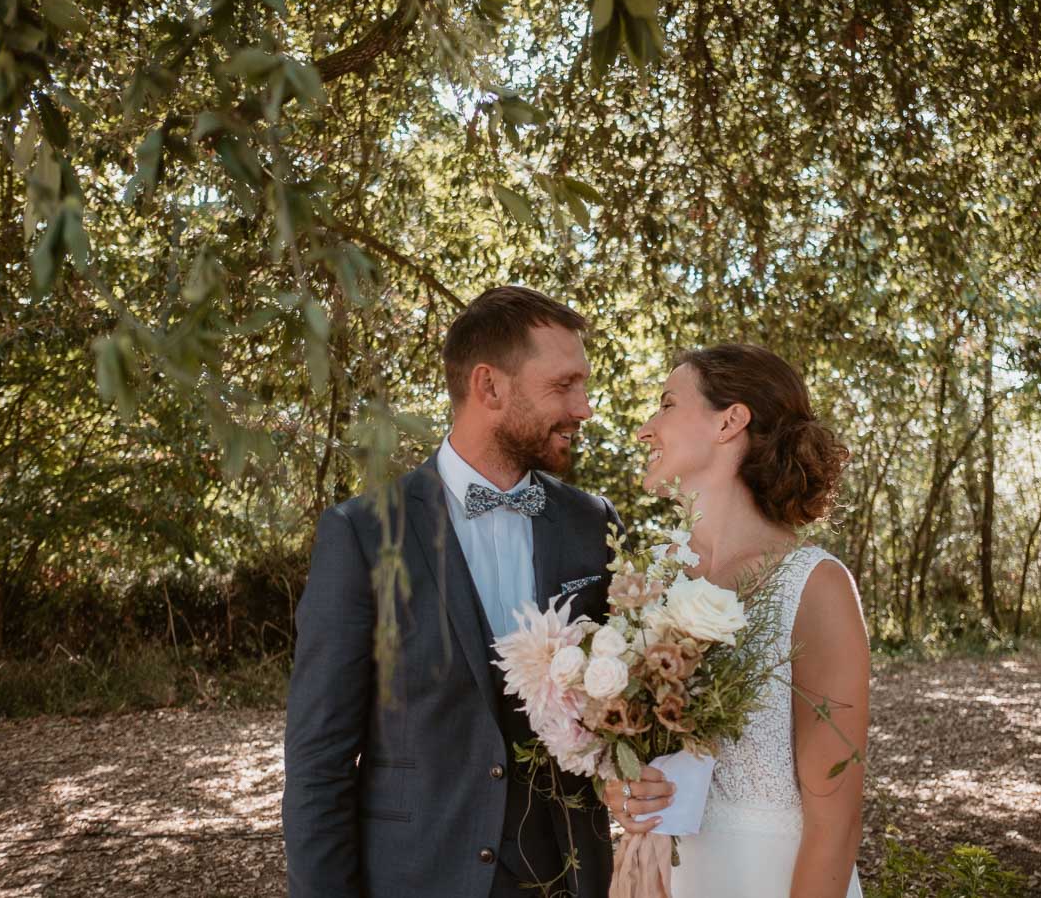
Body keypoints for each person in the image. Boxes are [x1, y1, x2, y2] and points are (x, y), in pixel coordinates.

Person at [283, 286, 621, 898]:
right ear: (489, 387)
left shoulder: (594, 524)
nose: (585, 408)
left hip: (571, 877)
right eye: (564, 385)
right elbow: (318, 765)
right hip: (421, 875)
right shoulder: (361, 535)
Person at [603, 343, 868, 898]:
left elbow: (836, 822)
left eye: (667, 404)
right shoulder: (647, 583)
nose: (645, 430)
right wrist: (624, 788)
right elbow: (635, 758)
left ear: (730, 421)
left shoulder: (814, 586)